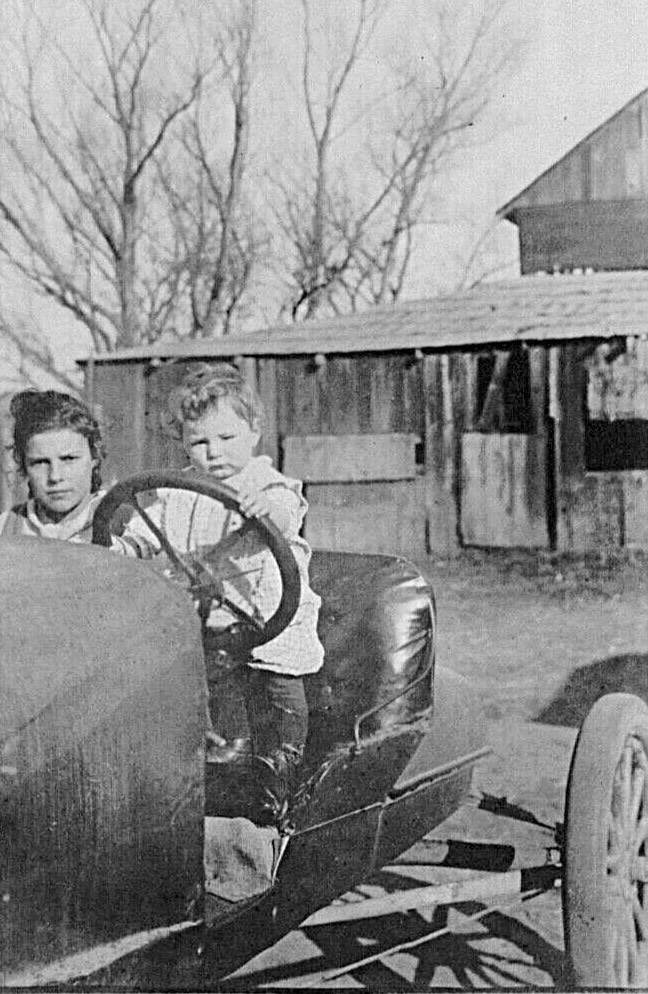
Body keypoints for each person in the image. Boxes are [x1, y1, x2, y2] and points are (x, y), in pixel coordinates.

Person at [118, 362, 324, 789]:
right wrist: (123, 548)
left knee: (280, 690)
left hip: (269, 619)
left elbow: (287, 516)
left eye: (227, 438)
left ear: (254, 431)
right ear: (183, 443)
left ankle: (285, 767)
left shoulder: (266, 482)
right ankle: (219, 765)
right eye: (199, 441)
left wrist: (267, 510)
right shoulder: (176, 490)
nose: (214, 452)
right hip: (207, 624)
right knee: (208, 692)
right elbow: (144, 533)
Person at [0, 390, 106, 541]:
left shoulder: (126, 524)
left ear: (94, 457)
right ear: (23, 465)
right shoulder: (6, 528)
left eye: (68, 459)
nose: (55, 476)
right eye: (40, 462)